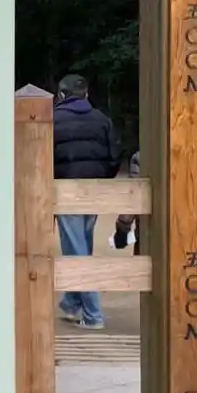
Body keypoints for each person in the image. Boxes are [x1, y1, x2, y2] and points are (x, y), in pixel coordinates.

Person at [52, 73, 121, 328]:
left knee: (76, 251)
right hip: (94, 191)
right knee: (81, 246)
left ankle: (93, 315)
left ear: (61, 95)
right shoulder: (102, 120)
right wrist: (102, 179)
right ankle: (72, 304)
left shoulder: (52, 120)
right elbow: (115, 155)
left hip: (65, 191)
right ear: (86, 94)